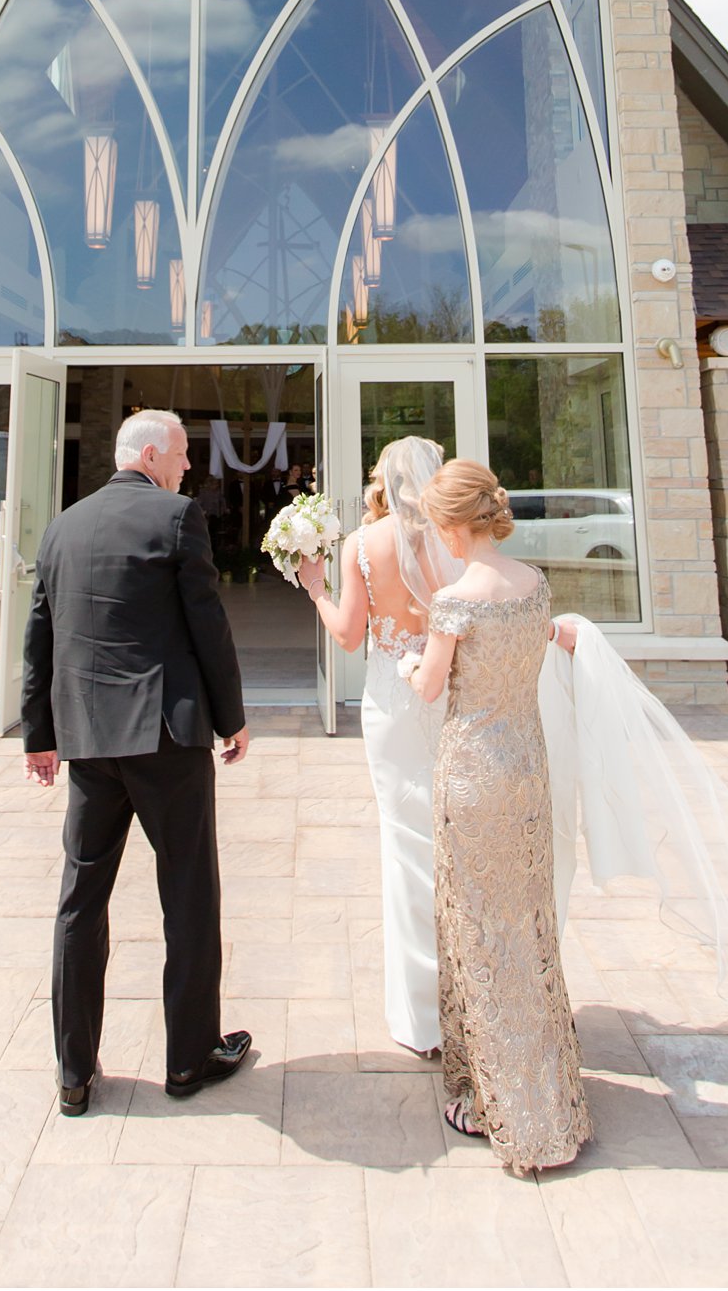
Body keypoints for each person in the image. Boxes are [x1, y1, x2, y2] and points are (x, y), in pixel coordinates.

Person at [22, 408, 253, 1116]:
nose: (187, 467)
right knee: (188, 893)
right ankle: (189, 1058)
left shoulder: (63, 524)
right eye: (182, 454)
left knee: (79, 902)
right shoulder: (177, 517)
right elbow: (206, 623)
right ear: (152, 453)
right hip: (164, 737)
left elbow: (40, 631)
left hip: (90, 741)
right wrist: (232, 717)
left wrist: (39, 732)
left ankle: (73, 1071)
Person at [406, 458, 590, 1176]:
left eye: (436, 524)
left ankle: (498, 1100)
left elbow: (428, 688)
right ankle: (549, 1090)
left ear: (456, 524)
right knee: (527, 923)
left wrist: (405, 667)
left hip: (474, 775)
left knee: (479, 931)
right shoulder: (533, 584)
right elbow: (540, 645)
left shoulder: (456, 599)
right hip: (527, 768)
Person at [295, 435, 451, 1054]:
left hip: (392, 706)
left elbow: (349, 637)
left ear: (382, 480)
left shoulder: (363, 545)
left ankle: (420, 1016)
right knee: (452, 837)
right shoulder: (455, 541)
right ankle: (467, 993)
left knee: (406, 847)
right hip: (447, 699)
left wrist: (315, 589)